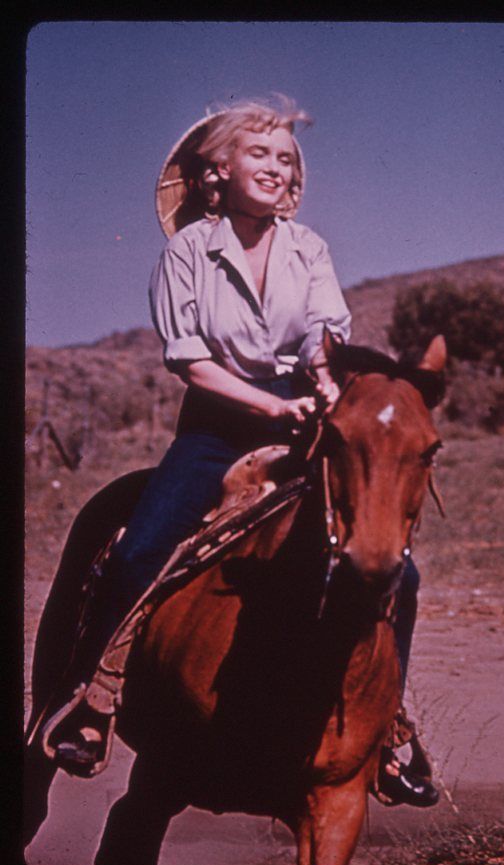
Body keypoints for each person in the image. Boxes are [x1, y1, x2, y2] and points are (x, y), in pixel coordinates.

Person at [51, 97, 437, 806]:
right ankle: (91, 701)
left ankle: (390, 735)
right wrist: (269, 404)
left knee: (396, 571)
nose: (277, 166)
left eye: (285, 157)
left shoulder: (308, 250)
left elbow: (325, 335)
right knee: (139, 550)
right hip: (214, 428)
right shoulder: (186, 253)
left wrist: (322, 386)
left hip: (300, 418)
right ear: (213, 172)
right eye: (259, 152)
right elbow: (190, 360)